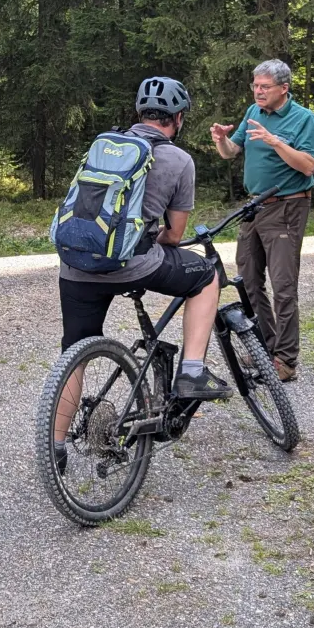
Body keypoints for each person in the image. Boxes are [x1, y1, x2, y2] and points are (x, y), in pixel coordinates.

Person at [51, 77, 231, 470]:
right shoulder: (179, 161)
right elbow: (175, 235)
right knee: (206, 276)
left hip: (77, 263)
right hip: (131, 265)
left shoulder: (105, 145)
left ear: (140, 113)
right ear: (178, 118)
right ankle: (192, 371)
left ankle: (56, 448)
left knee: (74, 354)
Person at [209, 59, 314, 382]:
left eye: (264, 87)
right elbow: (232, 150)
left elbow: (308, 166)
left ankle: (285, 360)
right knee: (247, 280)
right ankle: (265, 347)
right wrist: (221, 139)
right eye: (255, 86)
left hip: (287, 206)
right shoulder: (253, 112)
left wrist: (276, 141)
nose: (258, 91)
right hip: (254, 207)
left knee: (284, 285)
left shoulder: (304, 119)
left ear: (283, 89)